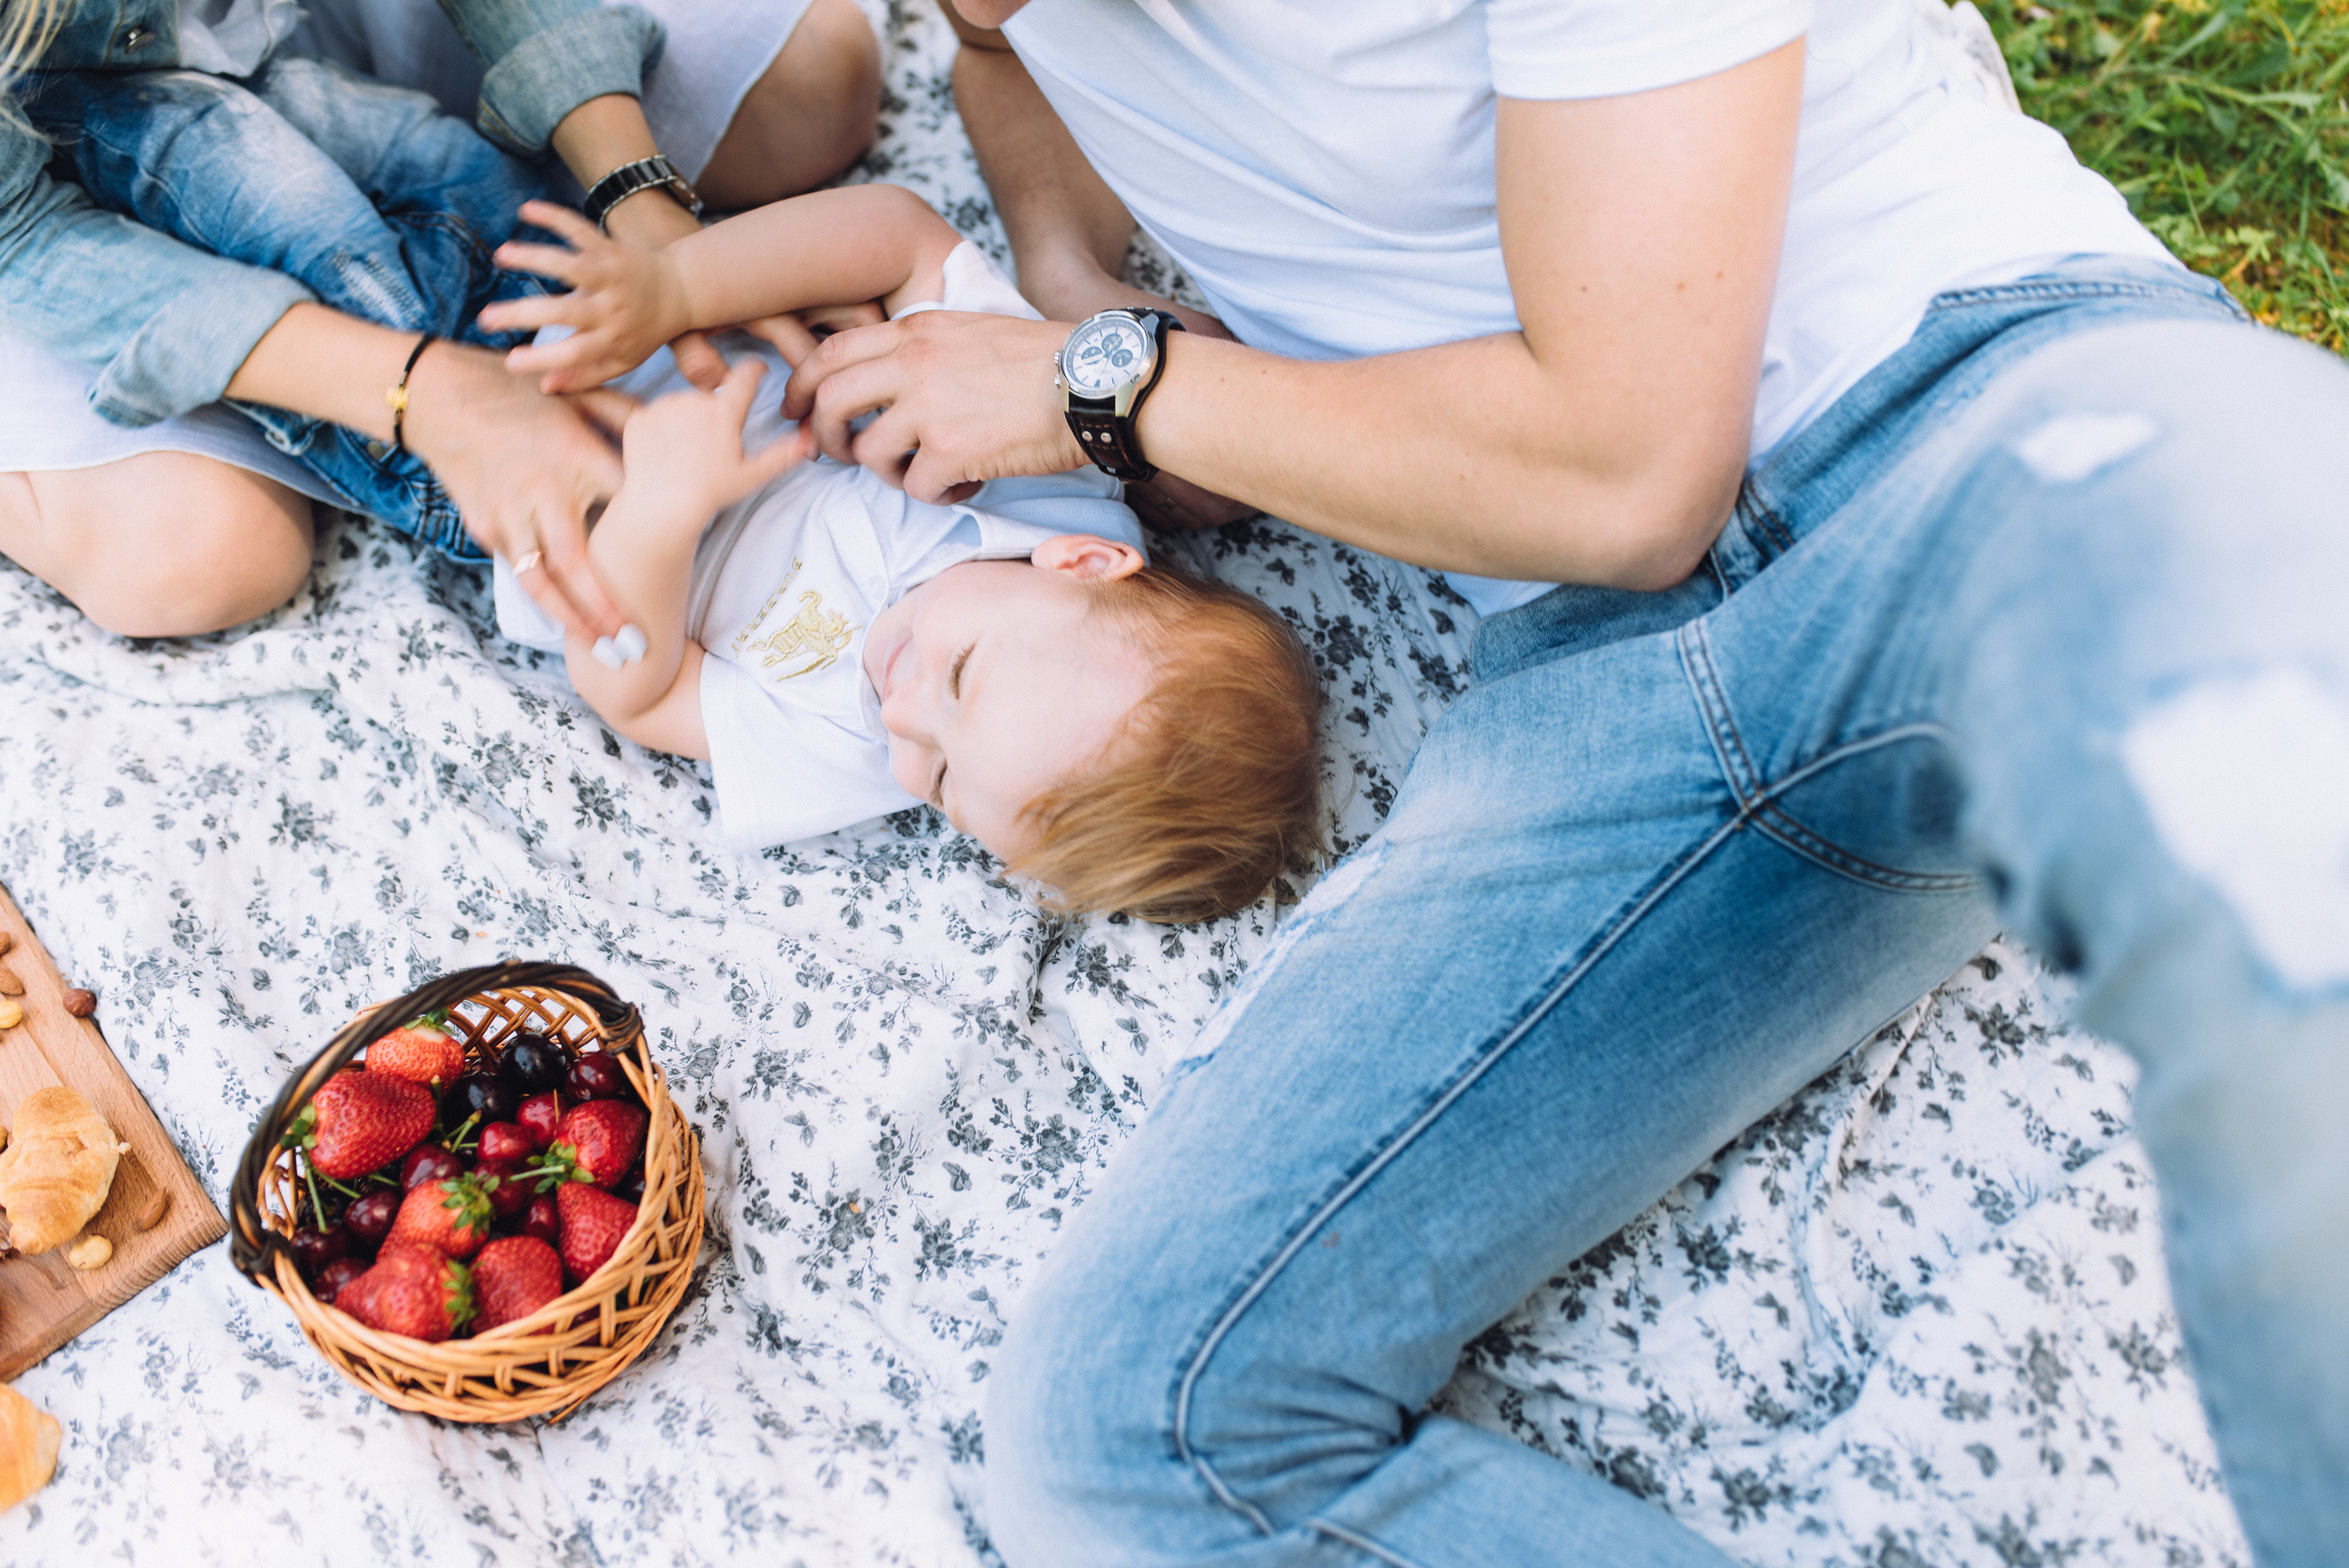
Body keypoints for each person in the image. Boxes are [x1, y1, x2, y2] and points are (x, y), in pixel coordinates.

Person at [771, 3, 2349, 1565]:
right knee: (1136, 1438)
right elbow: (991, 56)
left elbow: (1628, 476)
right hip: (1584, 660)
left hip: (1958, 388)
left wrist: (1105, 381)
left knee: (2270, 785)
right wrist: (1074, 287)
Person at [488, 188, 1322, 918]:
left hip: (506, 475)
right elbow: (900, 237)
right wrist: (676, 288)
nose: (900, 716)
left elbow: (635, 694)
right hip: (638, 276)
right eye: (961, 673)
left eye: (944, 784)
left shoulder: (847, 750)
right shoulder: (1044, 464)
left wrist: (660, 512)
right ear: (1086, 563)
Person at [0, 0, 875, 641]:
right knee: (202, 557)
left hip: (232, 37)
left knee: (816, 87)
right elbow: (23, 238)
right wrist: (427, 393)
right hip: (25, 194)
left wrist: (649, 214)